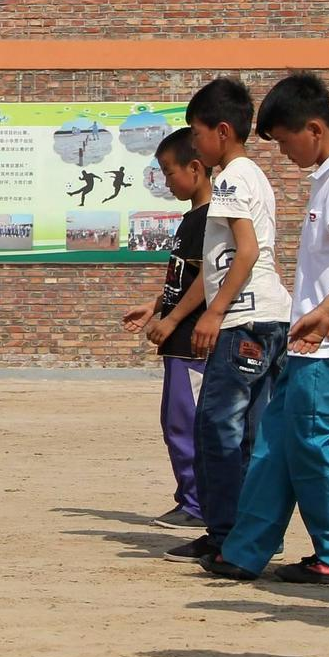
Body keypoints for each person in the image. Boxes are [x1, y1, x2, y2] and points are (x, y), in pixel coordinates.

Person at [202, 73, 329, 584]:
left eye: (285, 141)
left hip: (328, 348)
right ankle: (245, 550)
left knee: (310, 446)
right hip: (307, 342)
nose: (284, 153)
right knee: (274, 445)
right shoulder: (328, 176)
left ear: (315, 129)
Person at [164, 77, 290, 565]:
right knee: (249, 433)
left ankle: (225, 535)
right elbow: (220, 263)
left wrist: (215, 314)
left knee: (217, 428)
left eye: (197, 133)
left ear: (221, 130)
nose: (195, 143)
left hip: (245, 321)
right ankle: (251, 534)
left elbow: (248, 251)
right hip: (264, 318)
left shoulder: (234, 177)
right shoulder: (250, 176)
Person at [120, 127, 209, 529]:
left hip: (193, 338)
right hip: (179, 336)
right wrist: (156, 304)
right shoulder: (192, 218)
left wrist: (172, 318)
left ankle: (198, 503)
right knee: (175, 421)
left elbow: (211, 277)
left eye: (169, 173)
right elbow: (185, 279)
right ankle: (190, 498)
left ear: (195, 167)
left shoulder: (211, 218)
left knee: (188, 423)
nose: (166, 181)